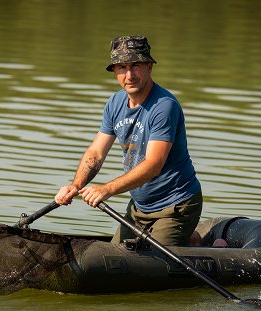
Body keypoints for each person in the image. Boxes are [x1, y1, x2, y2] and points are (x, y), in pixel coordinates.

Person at [54, 35, 202, 246]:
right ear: (114, 71)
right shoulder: (115, 103)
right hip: (139, 208)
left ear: (149, 67)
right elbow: (96, 153)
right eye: (122, 67)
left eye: (136, 66)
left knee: (151, 268)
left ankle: (196, 241)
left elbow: (153, 165)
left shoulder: (164, 106)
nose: (129, 75)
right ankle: (189, 239)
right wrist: (76, 186)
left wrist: (106, 189)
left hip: (176, 206)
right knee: (117, 256)